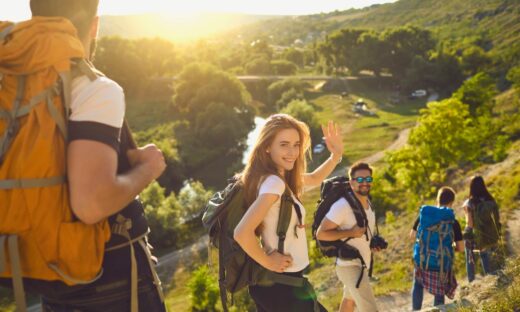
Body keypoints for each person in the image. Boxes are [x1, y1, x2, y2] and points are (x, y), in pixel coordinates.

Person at [8, 1, 167, 311]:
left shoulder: (14, 86)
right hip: (109, 277)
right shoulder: (94, 88)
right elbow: (91, 204)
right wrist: (147, 169)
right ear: (94, 25)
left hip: (44, 270)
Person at [234, 114, 343, 312]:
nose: (292, 151)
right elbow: (241, 232)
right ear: (267, 147)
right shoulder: (274, 184)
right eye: (284, 144)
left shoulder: (274, 178)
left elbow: (314, 177)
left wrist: (335, 156)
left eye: (296, 144)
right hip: (281, 285)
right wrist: (268, 260)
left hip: (280, 284)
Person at [316, 162, 380, 312]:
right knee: (370, 309)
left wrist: (373, 243)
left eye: (368, 179)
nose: (364, 183)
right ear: (351, 183)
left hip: (362, 264)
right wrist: (350, 233)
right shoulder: (342, 206)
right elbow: (321, 233)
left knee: (348, 303)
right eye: (359, 180)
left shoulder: (367, 202)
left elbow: (362, 233)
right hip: (349, 267)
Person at [409, 187, 464, 311]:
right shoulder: (452, 221)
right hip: (441, 263)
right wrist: (447, 247)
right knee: (439, 292)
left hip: (422, 260)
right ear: (451, 202)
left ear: (437, 200)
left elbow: (412, 236)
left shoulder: (424, 216)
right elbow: (461, 248)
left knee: (418, 285)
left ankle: (415, 310)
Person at [462, 175, 501, 282]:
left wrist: (465, 233)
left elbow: (469, 224)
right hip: (492, 234)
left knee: (469, 253)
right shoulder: (490, 199)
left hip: (477, 235)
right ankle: (493, 276)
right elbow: (497, 218)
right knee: (489, 254)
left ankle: (471, 280)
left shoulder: (470, 203)